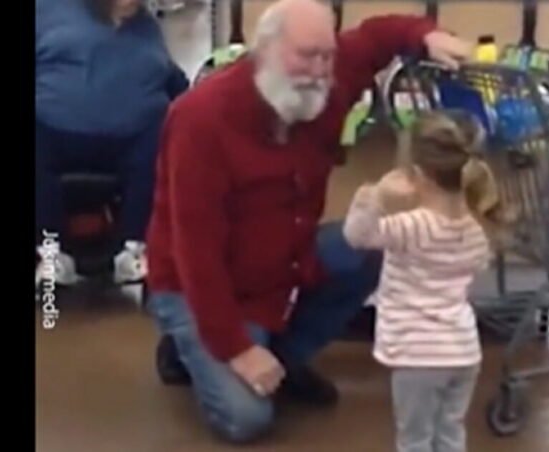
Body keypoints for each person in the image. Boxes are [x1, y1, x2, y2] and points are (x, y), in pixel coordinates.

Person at [145, 0, 473, 443]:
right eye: (306, 55)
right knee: (247, 419)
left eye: (327, 55)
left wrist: (426, 35)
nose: (320, 70)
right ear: (264, 50)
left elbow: (377, 36)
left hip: (283, 264)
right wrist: (236, 349)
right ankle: (193, 348)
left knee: (372, 246)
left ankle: (281, 356)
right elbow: (195, 255)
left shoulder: (326, 82)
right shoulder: (200, 120)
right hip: (198, 283)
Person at [343, 110, 507, 452]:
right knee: (450, 431)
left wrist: (373, 198)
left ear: (416, 174)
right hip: (463, 351)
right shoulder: (478, 230)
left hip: (418, 356)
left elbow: (357, 236)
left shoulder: (412, 227)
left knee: (414, 440)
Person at [35, 0, 189, 285]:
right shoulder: (47, 11)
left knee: (167, 138)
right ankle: (50, 252)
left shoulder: (146, 26)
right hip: (52, 128)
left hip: (135, 135)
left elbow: (170, 76)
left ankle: (133, 249)